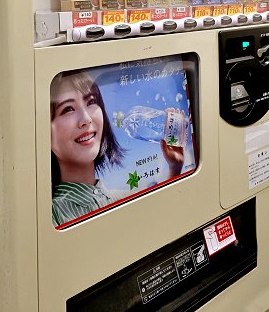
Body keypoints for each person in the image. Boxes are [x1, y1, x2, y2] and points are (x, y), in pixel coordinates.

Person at [50, 70, 184, 227]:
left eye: (91, 102)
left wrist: (174, 168)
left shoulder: (124, 197)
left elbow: (157, 226)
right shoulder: (52, 214)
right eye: (67, 109)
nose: (86, 119)